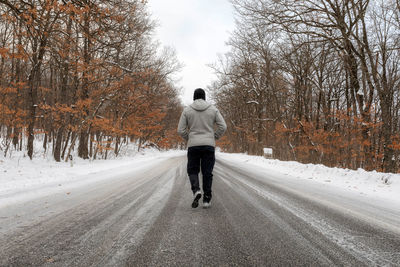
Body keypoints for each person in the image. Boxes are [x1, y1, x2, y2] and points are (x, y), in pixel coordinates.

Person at [177, 88, 227, 208]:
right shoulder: (213, 109)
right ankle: (206, 200)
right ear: (204, 97)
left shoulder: (187, 110)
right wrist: (214, 136)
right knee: (207, 172)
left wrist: (189, 138)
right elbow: (223, 126)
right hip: (208, 145)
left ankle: (196, 190)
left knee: (192, 170)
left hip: (193, 145)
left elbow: (180, 130)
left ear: (194, 97)